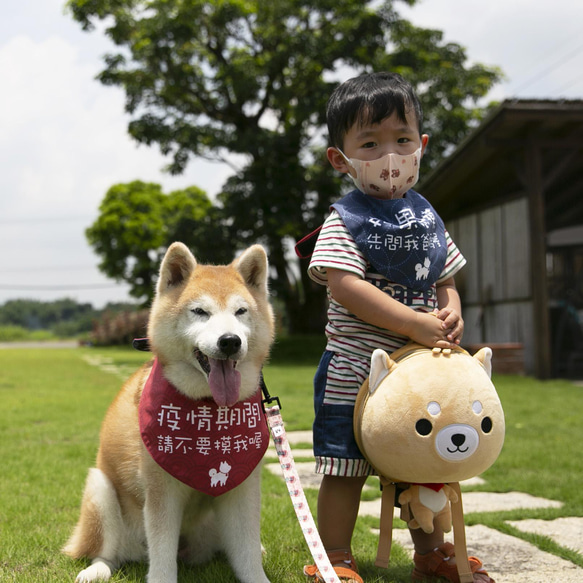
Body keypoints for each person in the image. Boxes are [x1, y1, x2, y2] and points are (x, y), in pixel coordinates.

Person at [302, 72, 495, 583]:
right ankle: (336, 559)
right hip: (354, 372)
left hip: (417, 376)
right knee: (344, 469)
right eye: (370, 143)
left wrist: (449, 306)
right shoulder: (344, 218)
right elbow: (344, 285)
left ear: (421, 146)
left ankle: (432, 553)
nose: (389, 155)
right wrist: (413, 320)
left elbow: (445, 277)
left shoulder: (427, 216)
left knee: (420, 463)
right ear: (340, 159)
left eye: (401, 139)